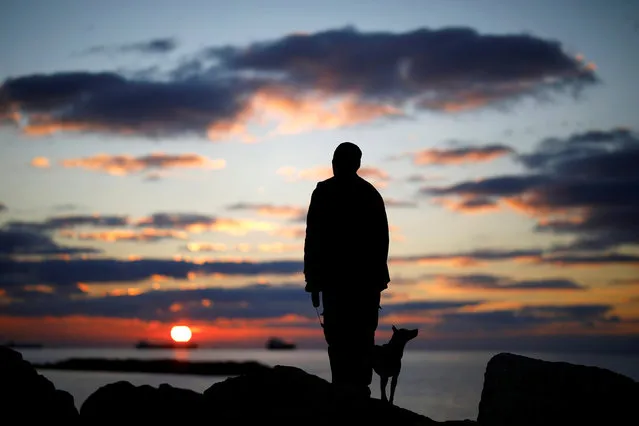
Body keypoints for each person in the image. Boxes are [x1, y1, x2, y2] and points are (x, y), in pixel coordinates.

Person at [303, 141, 390, 398]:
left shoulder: (328, 193)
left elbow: (313, 239)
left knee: (350, 338)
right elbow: (314, 239)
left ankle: (350, 392)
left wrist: (313, 280)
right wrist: (313, 280)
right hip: (352, 283)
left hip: (347, 283)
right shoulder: (369, 194)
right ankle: (352, 392)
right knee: (352, 337)